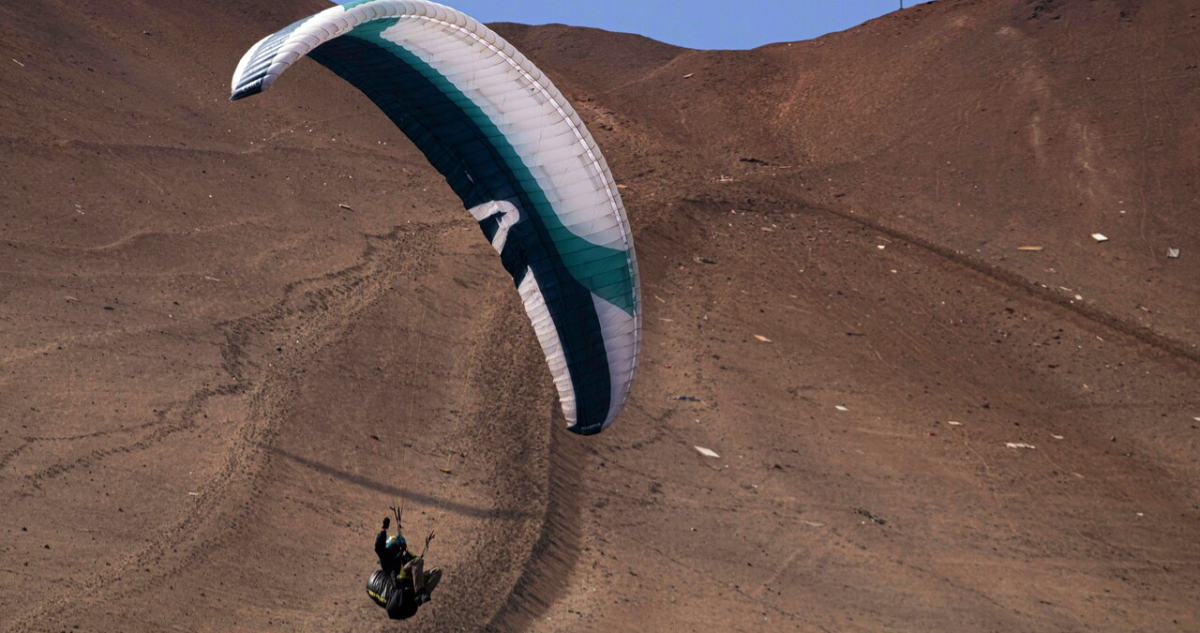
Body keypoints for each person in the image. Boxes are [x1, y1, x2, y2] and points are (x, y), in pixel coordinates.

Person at [367, 516, 442, 619]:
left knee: (437, 571)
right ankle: (420, 592)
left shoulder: (405, 555)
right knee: (417, 561)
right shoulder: (387, 558)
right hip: (399, 577)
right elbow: (378, 548)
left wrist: (427, 542)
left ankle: (422, 595)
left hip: (411, 579)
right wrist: (384, 529)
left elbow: (418, 562)